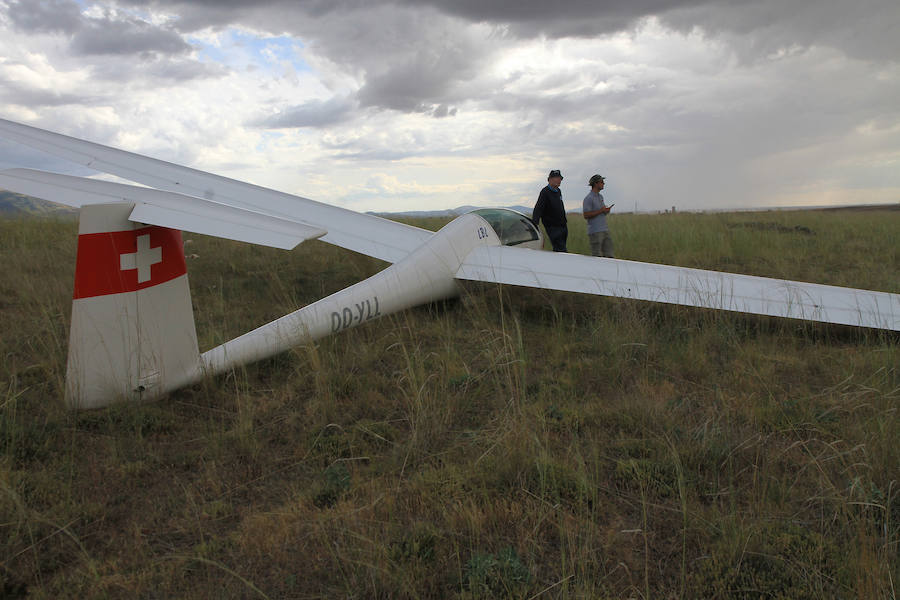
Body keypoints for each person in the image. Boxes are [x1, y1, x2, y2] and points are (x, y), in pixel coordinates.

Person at [532, 169, 567, 252]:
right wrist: (535, 224)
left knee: (560, 249)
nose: (559, 180)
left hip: (562, 225)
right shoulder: (545, 192)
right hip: (552, 226)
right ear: (550, 179)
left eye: (560, 179)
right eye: (557, 178)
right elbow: (538, 209)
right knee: (561, 250)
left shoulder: (558, 191)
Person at [582, 174, 614, 257]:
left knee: (609, 255)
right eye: (602, 182)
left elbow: (601, 212)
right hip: (595, 232)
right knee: (597, 257)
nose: (604, 184)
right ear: (596, 184)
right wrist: (601, 210)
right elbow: (586, 215)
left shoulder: (600, 197)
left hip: (604, 230)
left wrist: (606, 211)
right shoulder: (588, 198)